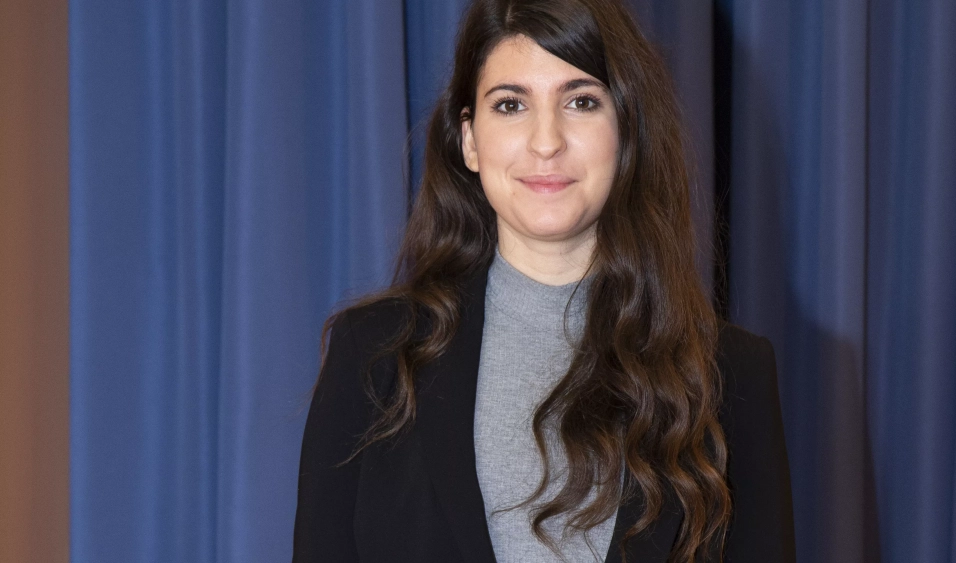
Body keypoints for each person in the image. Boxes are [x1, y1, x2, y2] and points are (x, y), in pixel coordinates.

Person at [292, 0, 795, 561]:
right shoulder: (373, 357)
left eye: (581, 101)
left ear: (626, 130)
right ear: (470, 140)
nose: (546, 141)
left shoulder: (731, 375)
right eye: (511, 105)